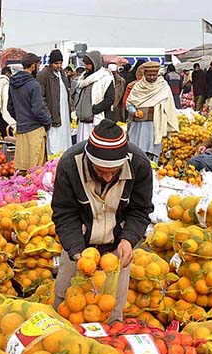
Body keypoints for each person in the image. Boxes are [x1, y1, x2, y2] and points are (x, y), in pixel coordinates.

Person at [51, 119, 153, 323]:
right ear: (89, 160)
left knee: (111, 310)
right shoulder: (71, 164)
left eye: (113, 172)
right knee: (66, 304)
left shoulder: (139, 164)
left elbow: (140, 210)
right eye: (100, 171)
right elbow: (64, 213)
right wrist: (76, 251)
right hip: (79, 246)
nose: (107, 178)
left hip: (117, 248)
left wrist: (128, 239)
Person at [124, 61, 179, 162]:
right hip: (138, 126)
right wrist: (134, 111)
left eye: (154, 75)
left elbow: (169, 105)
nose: (152, 77)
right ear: (144, 74)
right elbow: (129, 104)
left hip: (155, 125)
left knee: (152, 152)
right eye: (149, 75)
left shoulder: (163, 86)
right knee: (137, 151)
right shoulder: (137, 87)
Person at [7, 53, 51, 173]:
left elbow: (9, 107)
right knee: (36, 171)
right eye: (38, 65)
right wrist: (47, 122)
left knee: (21, 169)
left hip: (21, 130)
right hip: (35, 130)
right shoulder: (33, 85)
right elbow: (38, 110)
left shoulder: (13, 83)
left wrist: (20, 118)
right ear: (33, 66)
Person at [74, 51, 114, 143]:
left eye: (88, 64)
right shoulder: (84, 78)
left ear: (95, 64)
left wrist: (95, 109)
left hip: (95, 122)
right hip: (82, 122)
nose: (86, 67)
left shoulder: (105, 78)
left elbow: (110, 99)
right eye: (85, 64)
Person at [37, 50, 72, 155]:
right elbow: (40, 97)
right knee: (54, 143)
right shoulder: (43, 75)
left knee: (64, 140)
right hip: (53, 117)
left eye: (60, 63)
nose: (59, 66)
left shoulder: (62, 74)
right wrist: (48, 115)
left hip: (64, 115)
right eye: (56, 63)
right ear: (51, 63)